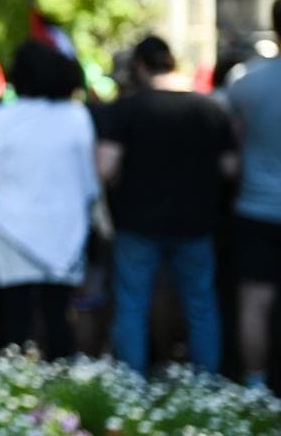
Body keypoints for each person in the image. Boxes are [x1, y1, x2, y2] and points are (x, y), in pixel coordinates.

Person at [98, 35, 237, 375]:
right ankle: (207, 385)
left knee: (133, 305)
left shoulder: (128, 109)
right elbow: (231, 167)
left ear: (140, 67)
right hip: (196, 223)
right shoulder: (209, 109)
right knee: (200, 305)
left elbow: (105, 166)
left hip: (137, 223)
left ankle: (132, 385)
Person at [0, 42, 98, 360]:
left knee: (13, 315)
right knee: (59, 315)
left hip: (9, 230)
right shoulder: (77, 117)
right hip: (65, 226)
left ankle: (12, 388)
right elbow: (89, 179)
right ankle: (62, 386)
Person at [227, 0, 281, 391]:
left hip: (256, 206)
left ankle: (257, 384)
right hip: (256, 206)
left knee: (254, 301)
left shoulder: (246, 84)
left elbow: (233, 149)